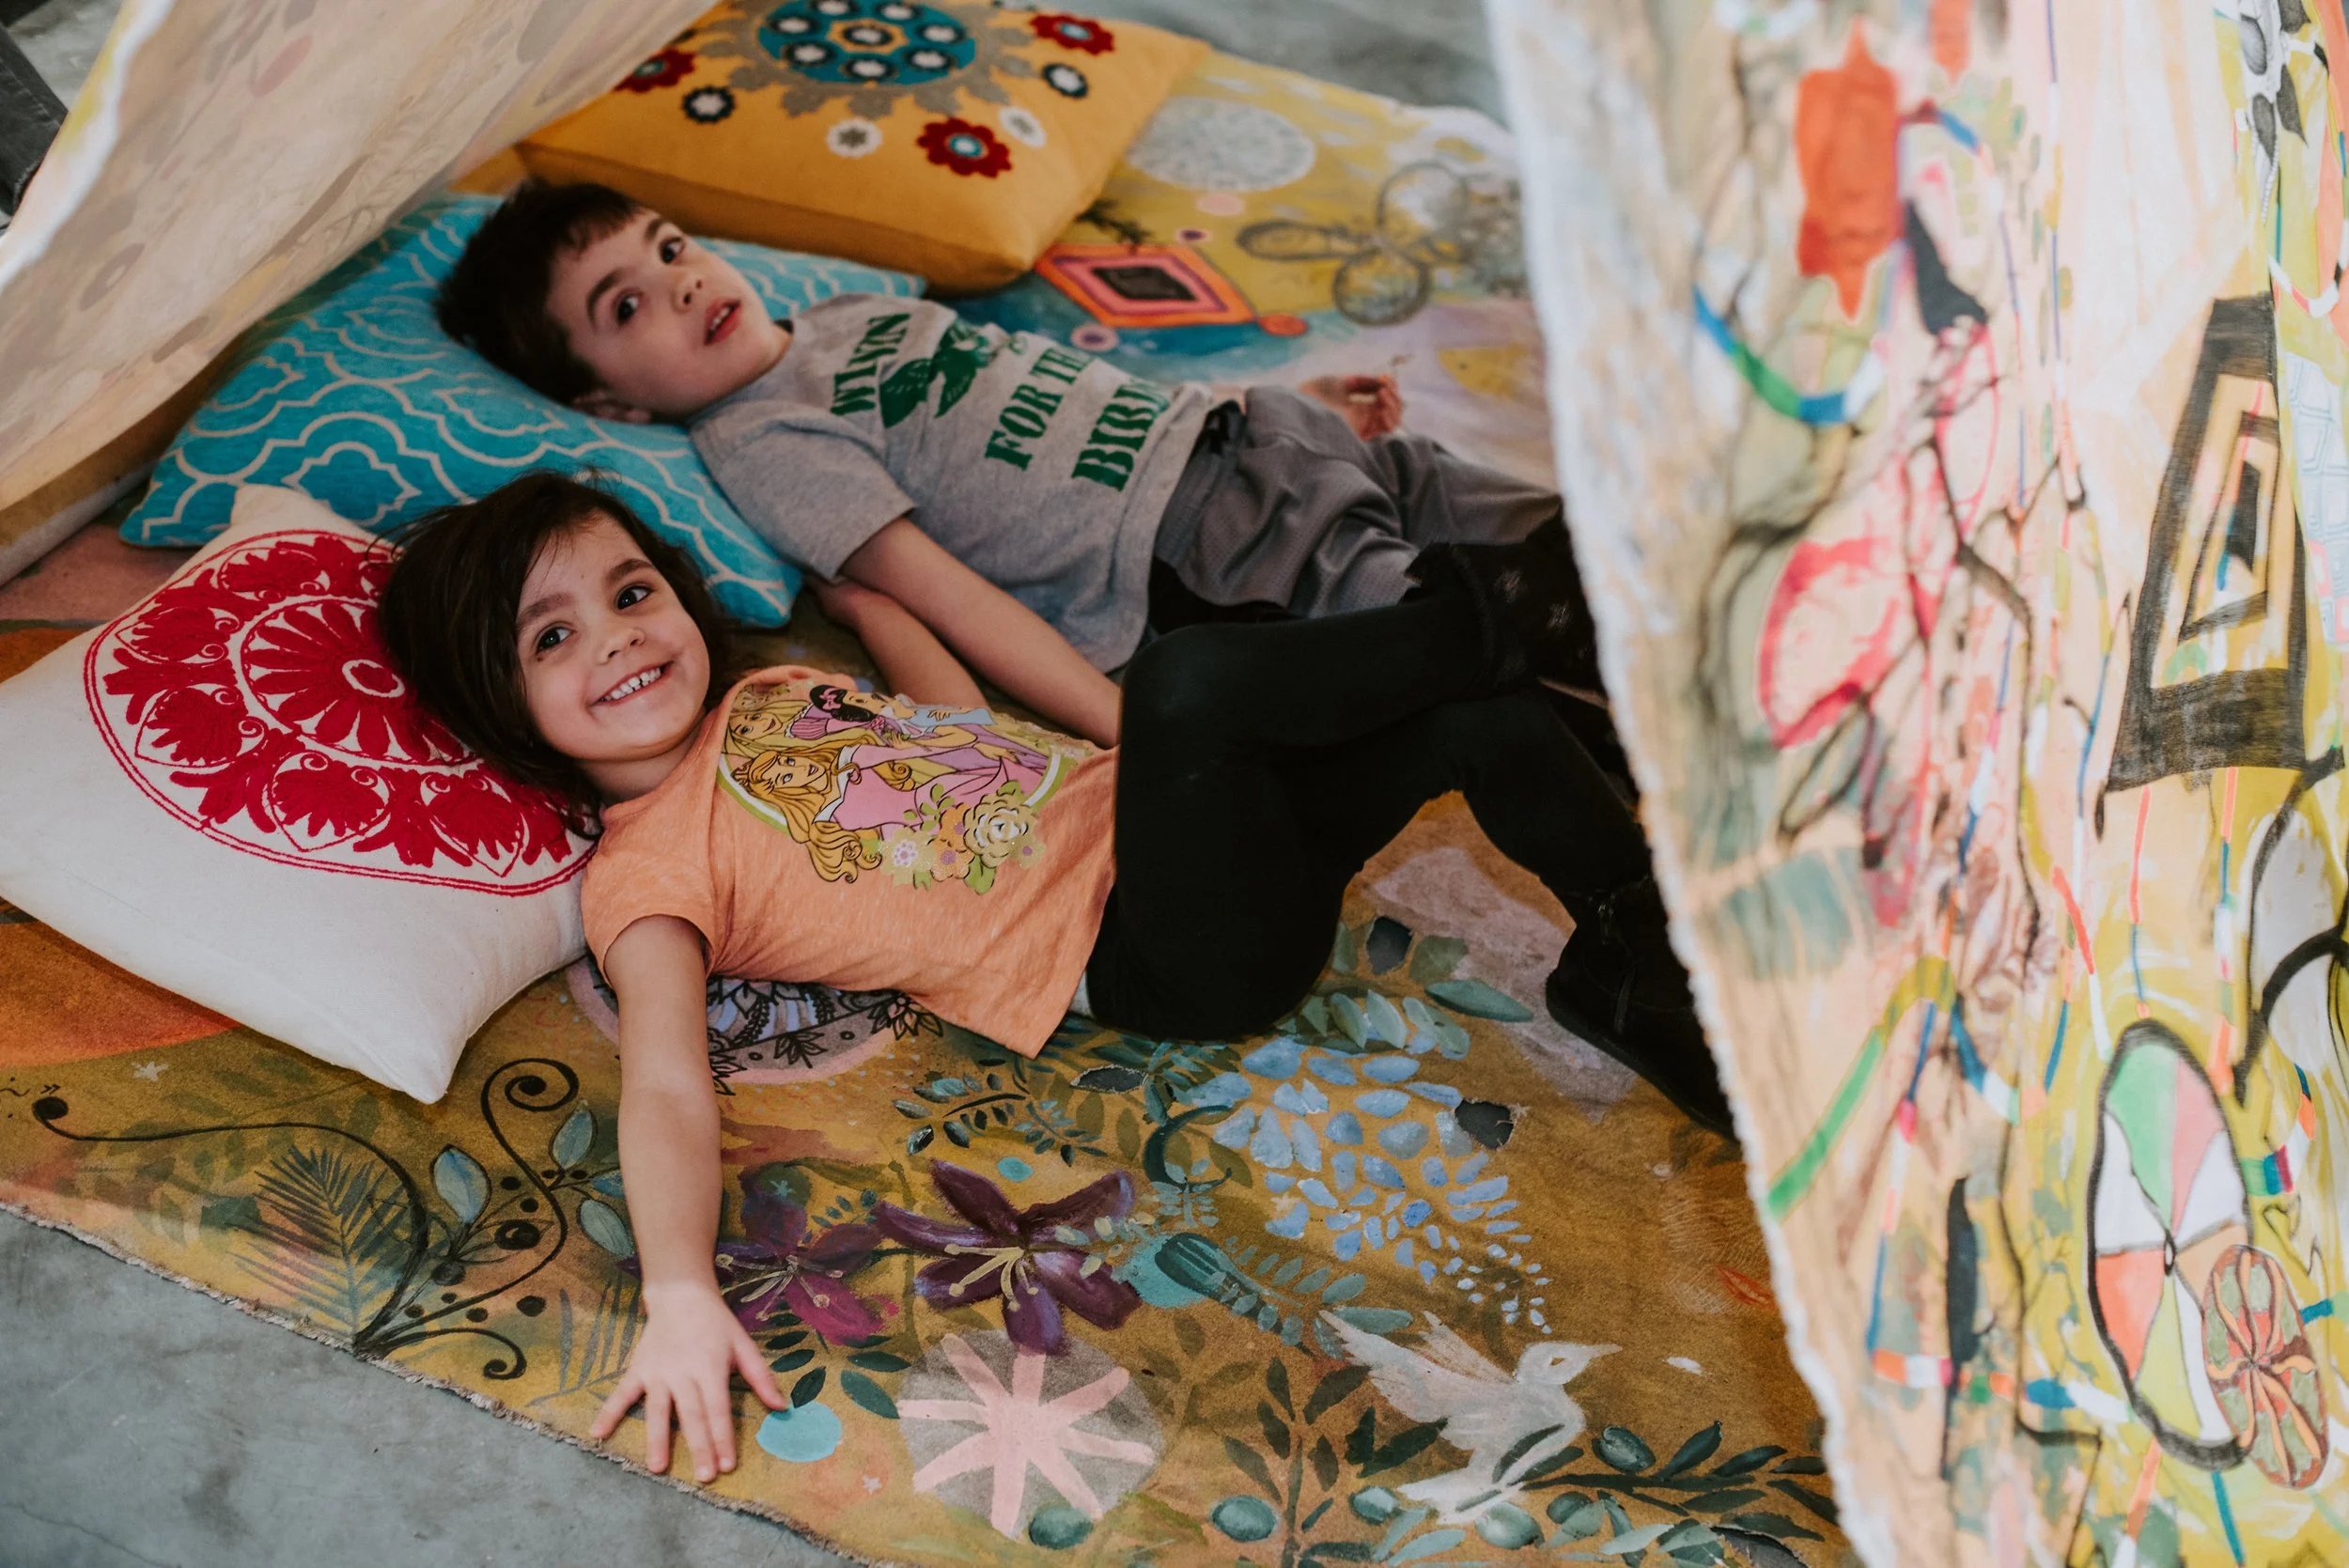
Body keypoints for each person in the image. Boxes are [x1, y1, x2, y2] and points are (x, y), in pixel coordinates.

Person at [376, 472, 1729, 1490]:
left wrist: (873, 607)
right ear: (500, 711)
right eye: (549, 639)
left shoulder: (776, 695)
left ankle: (1637, 964)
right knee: (1193, 680)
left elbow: (960, 746)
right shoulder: (646, 871)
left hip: (1196, 832)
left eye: (627, 592)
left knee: (1470, 725)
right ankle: (1519, 612)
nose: (616, 638)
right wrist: (678, 1292)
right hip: (1156, 940)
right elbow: (666, 1080)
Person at [435, 180, 1595, 755]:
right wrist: (1119, 730)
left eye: (671, 248)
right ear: (607, 400)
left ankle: (1693, 621)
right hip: (1198, 542)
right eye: (627, 303)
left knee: (1562, 537)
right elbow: (953, 596)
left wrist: (1263, 404)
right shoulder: (759, 441)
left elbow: (1056, 389)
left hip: (1244, 438)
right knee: (1459, 637)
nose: (684, 282)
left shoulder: (841, 313)